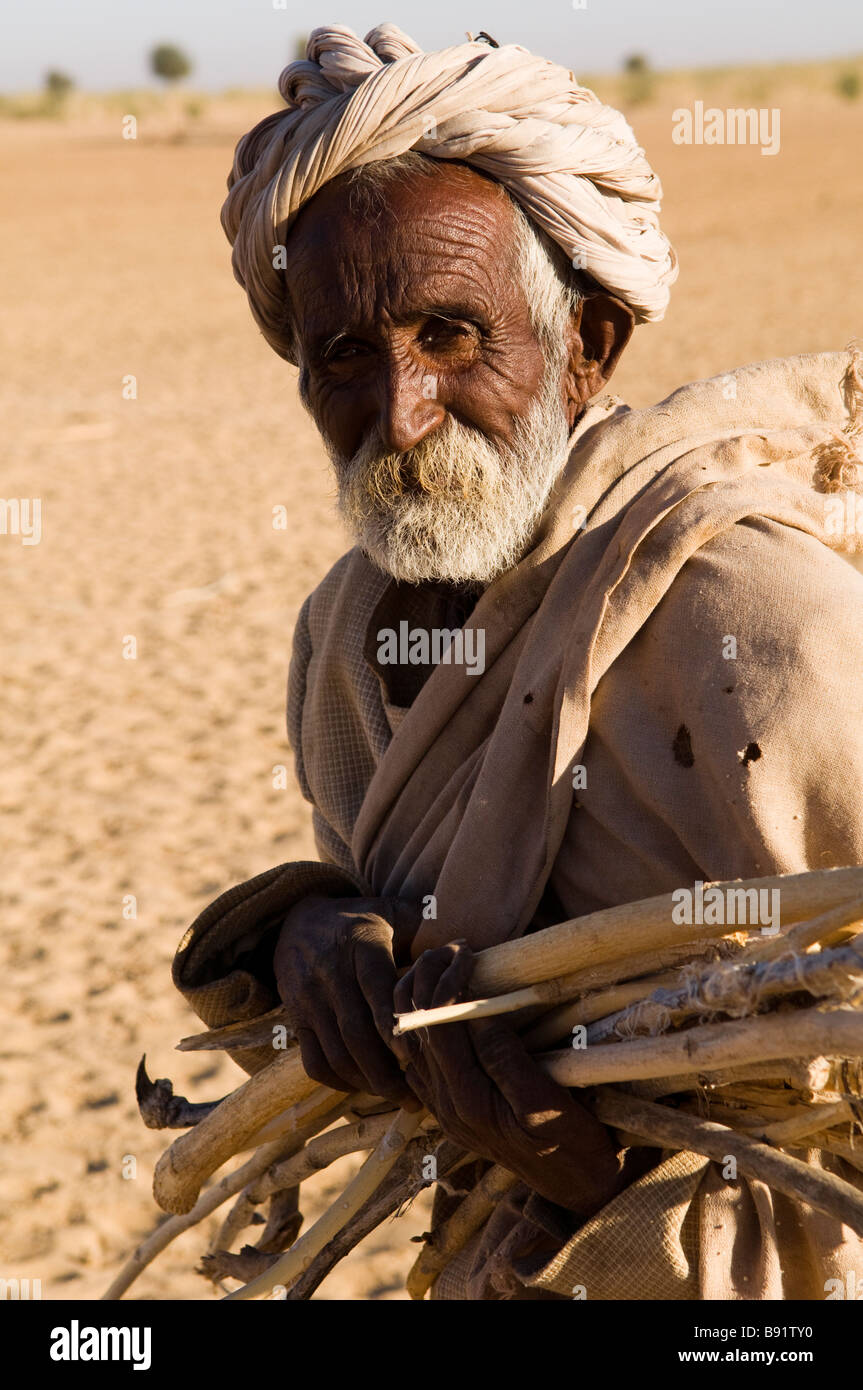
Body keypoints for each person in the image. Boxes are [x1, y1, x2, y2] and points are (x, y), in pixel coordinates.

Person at [173, 24, 863, 1299]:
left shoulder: (775, 629)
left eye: (449, 335)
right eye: (342, 356)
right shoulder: (342, 634)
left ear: (587, 345)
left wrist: (591, 1179)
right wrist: (312, 930)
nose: (400, 415)